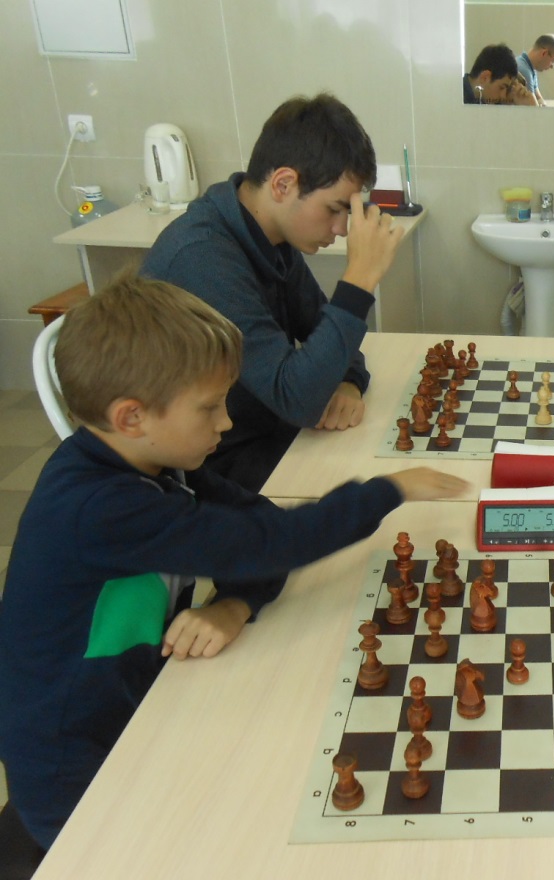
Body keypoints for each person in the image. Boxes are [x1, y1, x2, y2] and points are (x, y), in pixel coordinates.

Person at [0, 276, 469, 851]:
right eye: (209, 407)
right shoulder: (101, 507)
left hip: (144, 708)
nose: (225, 422)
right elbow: (272, 543)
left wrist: (235, 602)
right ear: (131, 417)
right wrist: (388, 490)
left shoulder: (156, 465)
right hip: (72, 769)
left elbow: (258, 529)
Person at [141, 93, 404, 493]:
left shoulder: (270, 235)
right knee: (376, 489)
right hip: (208, 462)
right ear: (283, 184)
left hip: (267, 428)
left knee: (385, 453)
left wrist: (348, 382)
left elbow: (328, 334)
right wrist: (360, 279)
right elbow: (297, 398)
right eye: (334, 209)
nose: (341, 229)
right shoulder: (203, 258)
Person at [464, 44, 536, 106]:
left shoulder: (483, 99)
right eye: (501, 87)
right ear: (485, 77)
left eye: (507, 89)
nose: (503, 96)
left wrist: (527, 108)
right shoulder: (459, 100)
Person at [517, 34, 554, 105]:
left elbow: (540, 100)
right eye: (553, 61)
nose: (552, 67)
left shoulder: (530, 68)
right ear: (544, 53)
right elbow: (534, 109)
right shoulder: (524, 71)